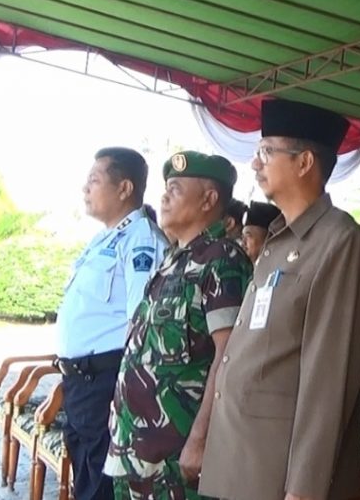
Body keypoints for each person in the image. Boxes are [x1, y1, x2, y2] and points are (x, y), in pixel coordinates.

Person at [200, 99, 360, 500]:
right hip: (245, 460)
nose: (255, 163)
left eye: (267, 151)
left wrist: (304, 487)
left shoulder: (338, 241)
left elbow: (329, 376)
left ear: (304, 163)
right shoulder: (279, 239)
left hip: (280, 476)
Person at [104, 151, 251, 499]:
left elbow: (228, 355)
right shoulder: (173, 260)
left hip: (175, 459)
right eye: (166, 188)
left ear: (209, 199)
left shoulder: (222, 260)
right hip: (133, 450)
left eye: (176, 189)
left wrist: (200, 439)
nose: (164, 197)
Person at [56, 147, 168, 500]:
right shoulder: (104, 238)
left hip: (105, 382)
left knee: (100, 488)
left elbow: (141, 323)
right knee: (86, 482)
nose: (85, 188)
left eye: (94, 180)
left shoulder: (141, 240)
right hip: (80, 384)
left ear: (124, 188)